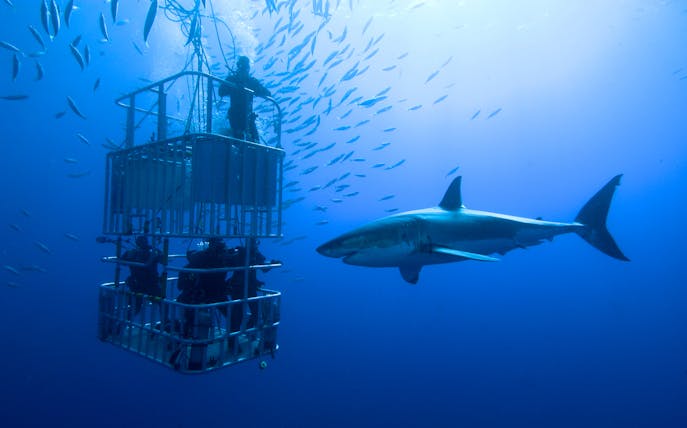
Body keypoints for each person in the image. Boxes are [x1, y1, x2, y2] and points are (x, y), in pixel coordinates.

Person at [226, 238, 277, 332]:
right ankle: (234, 339)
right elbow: (264, 268)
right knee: (239, 315)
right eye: (254, 243)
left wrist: (272, 264)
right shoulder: (241, 253)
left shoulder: (254, 253)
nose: (255, 245)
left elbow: (263, 268)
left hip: (247, 287)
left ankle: (245, 332)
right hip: (240, 287)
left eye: (256, 243)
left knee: (254, 313)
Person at [218, 55, 271, 143]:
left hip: (249, 117)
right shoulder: (232, 79)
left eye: (245, 68)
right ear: (238, 67)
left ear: (248, 68)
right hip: (235, 116)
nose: (243, 70)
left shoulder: (252, 82)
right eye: (241, 67)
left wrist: (257, 89)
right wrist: (232, 85)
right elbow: (221, 92)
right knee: (238, 141)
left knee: (255, 143)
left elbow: (268, 93)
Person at [120, 236, 163, 314]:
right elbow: (164, 260)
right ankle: (165, 321)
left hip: (141, 285)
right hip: (146, 285)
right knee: (161, 302)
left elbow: (121, 261)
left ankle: (165, 321)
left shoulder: (133, 253)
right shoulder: (150, 253)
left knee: (137, 306)